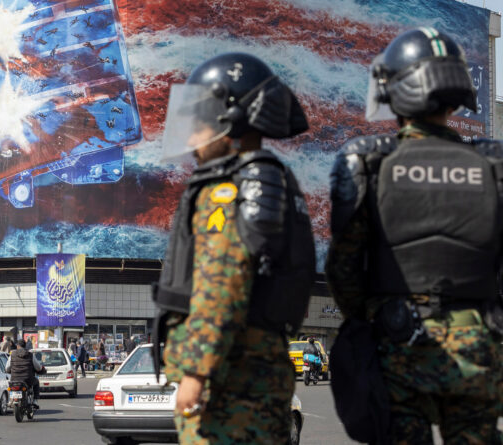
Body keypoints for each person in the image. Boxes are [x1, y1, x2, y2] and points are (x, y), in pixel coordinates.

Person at [327, 28, 503, 444]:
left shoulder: (367, 160)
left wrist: (367, 317)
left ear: (395, 91)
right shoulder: (494, 163)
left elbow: (344, 268)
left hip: (398, 343)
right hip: (478, 344)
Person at [153, 52, 315, 444]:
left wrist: (196, 372)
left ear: (231, 121)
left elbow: (222, 283)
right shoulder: (272, 180)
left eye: (199, 124)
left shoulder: (228, 189)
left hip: (227, 381)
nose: (192, 139)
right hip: (259, 372)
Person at [6, 339, 45, 408]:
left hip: (14, 379)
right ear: (25, 346)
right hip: (28, 380)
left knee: (10, 386)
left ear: (17, 346)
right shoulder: (30, 355)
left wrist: (11, 370)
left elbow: (7, 368)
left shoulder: (12, 355)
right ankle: (35, 401)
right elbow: (38, 367)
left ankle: (10, 400)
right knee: (36, 382)